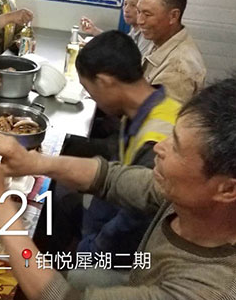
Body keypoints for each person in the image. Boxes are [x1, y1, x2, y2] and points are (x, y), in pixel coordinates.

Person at [0, 73, 236, 299]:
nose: (159, 148)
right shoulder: (209, 202)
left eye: (176, 146)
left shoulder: (215, 290)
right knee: (79, 274)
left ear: (228, 189)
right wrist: (34, 163)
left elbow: (59, 297)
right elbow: (112, 178)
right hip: (143, 278)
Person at [73, 31, 180, 259]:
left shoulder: (156, 142)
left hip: (119, 252)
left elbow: (130, 225)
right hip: (105, 214)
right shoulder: (153, 105)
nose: (93, 98)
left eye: (90, 90)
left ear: (104, 81)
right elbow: (117, 156)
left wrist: (90, 250)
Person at [137, 0, 206, 104]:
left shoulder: (179, 67)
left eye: (147, 14)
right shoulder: (160, 40)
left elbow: (160, 114)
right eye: (138, 12)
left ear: (173, 16)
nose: (140, 21)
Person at [80, 0, 153, 56]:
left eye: (133, 5)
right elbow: (119, 45)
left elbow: (132, 60)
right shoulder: (134, 30)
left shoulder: (146, 35)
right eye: (125, 4)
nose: (126, 9)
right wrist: (94, 30)